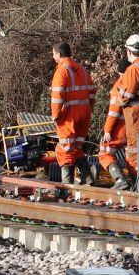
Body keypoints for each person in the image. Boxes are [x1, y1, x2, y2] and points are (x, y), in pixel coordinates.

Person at [98, 33, 139, 190]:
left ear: (129, 51)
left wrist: (118, 92)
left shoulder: (134, 69)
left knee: (134, 152)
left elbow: (125, 97)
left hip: (138, 117)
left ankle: (138, 187)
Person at [45, 41, 94, 185]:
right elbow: (92, 93)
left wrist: (55, 115)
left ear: (59, 54)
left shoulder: (61, 71)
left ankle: (67, 184)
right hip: (84, 115)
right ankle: (87, 176)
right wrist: (88, 109)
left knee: (65, 148)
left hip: (68, 117)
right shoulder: (82, 69)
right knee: (76, 147)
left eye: (53, 54)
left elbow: (57, 96)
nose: (53, 57)